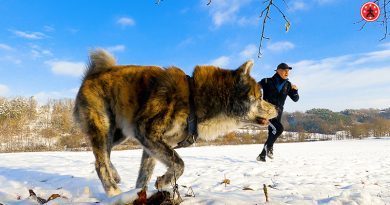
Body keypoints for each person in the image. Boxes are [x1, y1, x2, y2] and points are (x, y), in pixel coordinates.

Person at [257, 63, 299, 162]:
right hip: (266, 112)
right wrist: (258, 100)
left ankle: (262, 156)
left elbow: (295, 99)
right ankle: (269, 148)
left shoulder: (288, 85)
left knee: (272, 133)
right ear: (278, 70)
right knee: (279, 129)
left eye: (288, 71)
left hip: (278, 113)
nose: (287, 72)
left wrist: (296, 91)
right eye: (285, 70)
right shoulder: (266, 81)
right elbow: (253, 88)